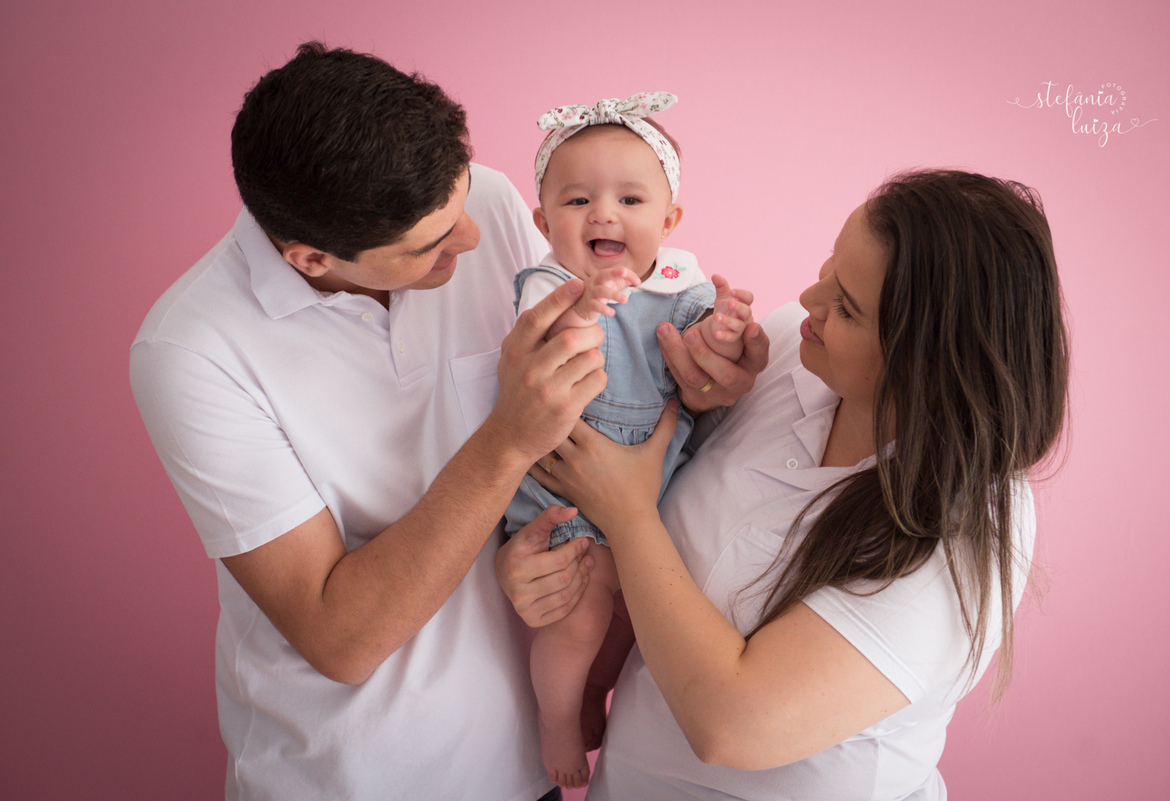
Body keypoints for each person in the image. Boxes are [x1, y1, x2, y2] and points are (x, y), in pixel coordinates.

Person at [130, 42, 765, 801]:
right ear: (311, 258)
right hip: (354, 778)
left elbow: (614, 379)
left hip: (523, 766)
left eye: (464, 203)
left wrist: (707, 379)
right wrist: (509, 441)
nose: (473, 236)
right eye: (431, 245)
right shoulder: (192, 351)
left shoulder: (480, 201)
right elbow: (341, 637)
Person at [500, 169, 1069, 799]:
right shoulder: (790, 354)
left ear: (926, 366)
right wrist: (540, 568)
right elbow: (648, 541)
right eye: (829, 268)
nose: (808, 299)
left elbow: (733, 726)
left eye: (846, 306)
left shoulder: (965, 532)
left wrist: (626, 512)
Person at [503, 92, 754, 788]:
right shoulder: (550, 286)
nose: (604, 214)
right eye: (578, 200)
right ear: (543, 221)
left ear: (668, 221)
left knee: (631, 622)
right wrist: (585, 309)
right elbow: (544, 349)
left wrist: (723, 333)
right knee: (579, 620)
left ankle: (593, 694)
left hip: (647, 498)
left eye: (630, 200)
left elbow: (702, 360)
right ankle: (557, 718)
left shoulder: (680, 285)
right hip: (563, 497)